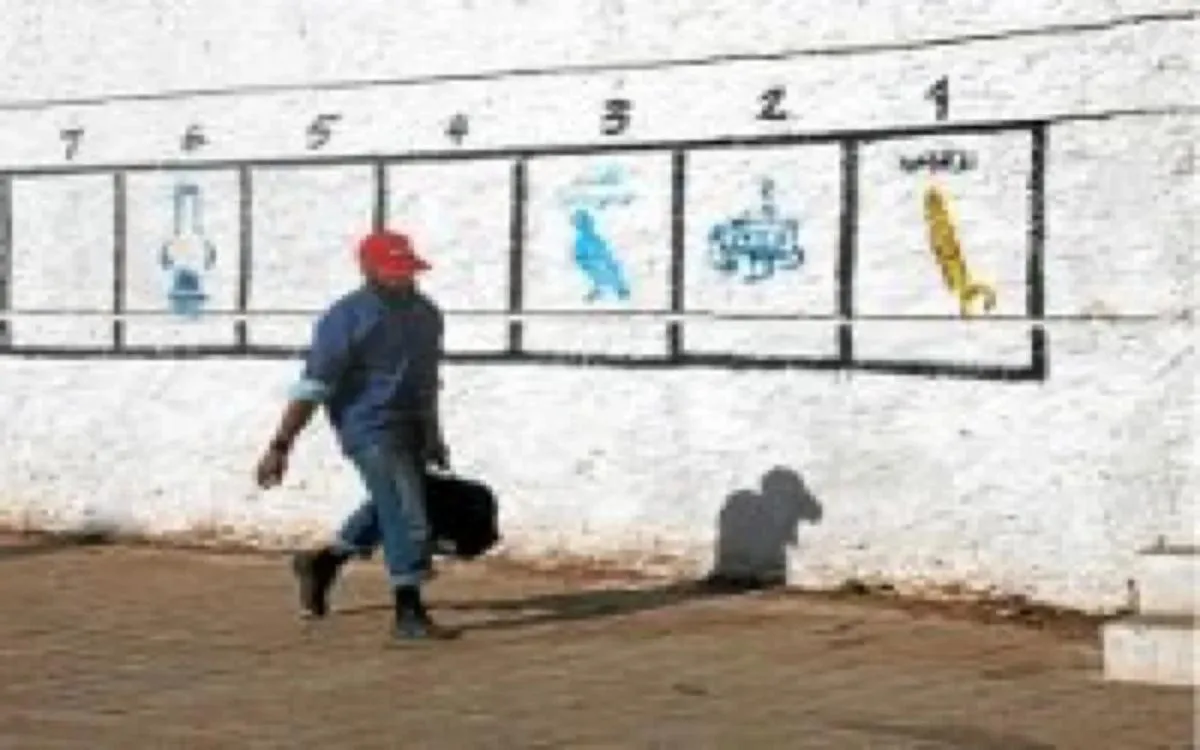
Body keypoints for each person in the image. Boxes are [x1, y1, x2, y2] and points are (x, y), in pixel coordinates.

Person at [254, 229, 458, 642]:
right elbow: (314, 385)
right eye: (391, 271)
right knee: (404, 509)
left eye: (406, 270)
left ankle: (324, 562)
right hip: (367, 425)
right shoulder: (345, 318)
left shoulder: (427, 316)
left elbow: (427, 382)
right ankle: (409, 610)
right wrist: (280, 445)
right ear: (366, 269)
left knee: (391, 501)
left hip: (410, 424)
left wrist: (434, 434)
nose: (401, 278)